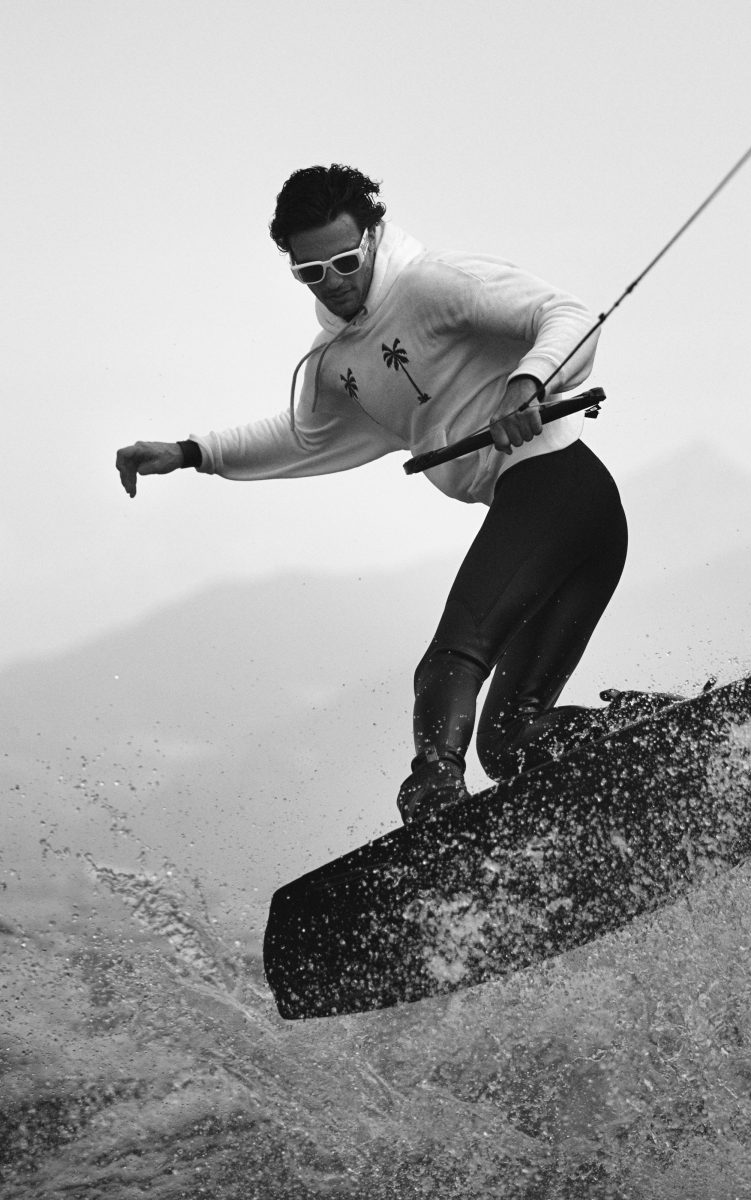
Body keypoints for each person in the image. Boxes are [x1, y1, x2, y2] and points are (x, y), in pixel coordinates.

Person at [115, 164, 627, 824]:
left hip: (560, 489)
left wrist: (526, 384)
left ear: (373, 237)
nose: (333, 280)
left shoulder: (433, 285)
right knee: (511, 743)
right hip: (567, 518)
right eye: (311, 272)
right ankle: (643, 738)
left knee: (453, 657)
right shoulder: (335, 365)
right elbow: (301, 438)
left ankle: (436, 802)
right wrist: (193, 453)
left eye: (345, 261)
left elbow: (568, 316)